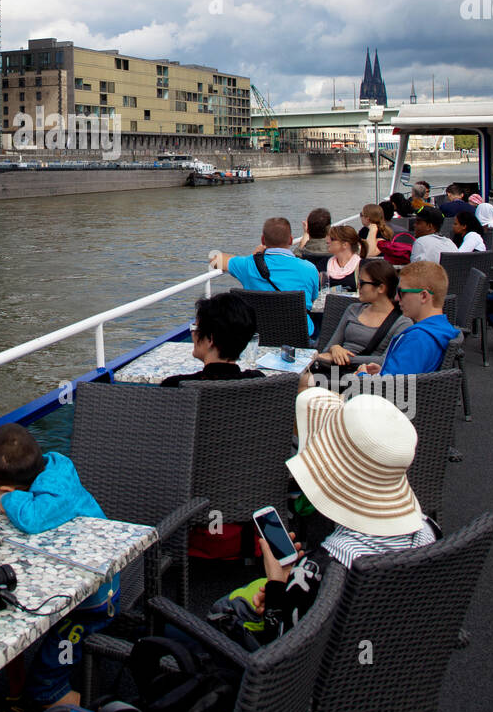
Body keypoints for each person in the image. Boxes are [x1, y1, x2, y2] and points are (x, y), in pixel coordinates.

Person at [210, 391, 437, 646]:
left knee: (225, 610)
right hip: (392, 655)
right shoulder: (430, 531)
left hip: (315, 674)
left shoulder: (320, 571)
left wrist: (277, 583)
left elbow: (280, 650)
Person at [0, 425, 117, 712]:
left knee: (45, 684)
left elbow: (33, 518)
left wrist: (9, 499)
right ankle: (15, 693)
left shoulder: (58, 489)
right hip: (48, 582)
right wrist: (1, 492)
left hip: (91, 601)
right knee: (3, 620)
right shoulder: (30, 474)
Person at [357, 261, 457, 376]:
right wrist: (382, 371)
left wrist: (362, 376)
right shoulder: (443, 329)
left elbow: (394, 389)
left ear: (423, 296)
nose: (396, 298)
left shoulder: (417, 339)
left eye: (401, 292)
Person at [311, 259, 411, 369]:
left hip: (366, 376)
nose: (358, 286)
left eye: (362, 283)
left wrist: (343, 358)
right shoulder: (353, 309)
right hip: (335, 371)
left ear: (381, 288)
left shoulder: (401, 322)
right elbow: (328, 348)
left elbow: (386, 359)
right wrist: (335, 348)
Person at [210, 217, 319, 310]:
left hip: (258, 332)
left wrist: (254, 256)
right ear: (290, 240)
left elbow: (214, 259)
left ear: (263, 240)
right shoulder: (309, 269)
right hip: (300, 333)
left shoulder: (248, 265)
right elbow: (313, 299)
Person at [160, 292, 265, 385]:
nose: (192, 333)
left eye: (195, 327)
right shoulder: (258, 381)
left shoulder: (175, 386)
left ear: (210, 339)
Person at [325, 224, 364, 291]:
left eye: (332, 239)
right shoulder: (324, 264)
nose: (327, 241)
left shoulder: (361, 266)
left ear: (345, 245)